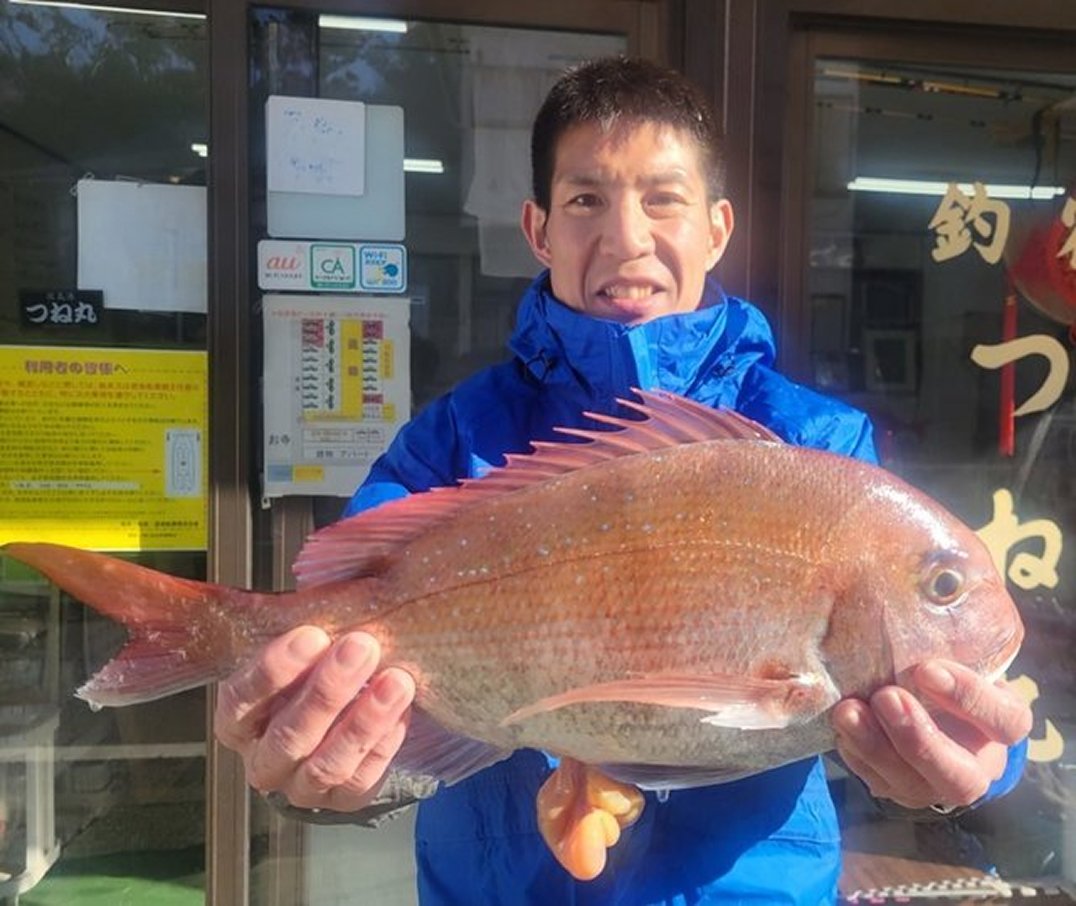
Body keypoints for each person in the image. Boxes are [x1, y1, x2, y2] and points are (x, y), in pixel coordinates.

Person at [215, 57, 1032, 904]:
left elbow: (968, 703)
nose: (627, 238)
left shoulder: (815, 446)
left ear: (718, 229)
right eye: (585, 200)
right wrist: (332, 769)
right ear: (538, 229)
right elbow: (350, 651)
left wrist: (976, 763)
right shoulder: (452, 440)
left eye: (663, 198)